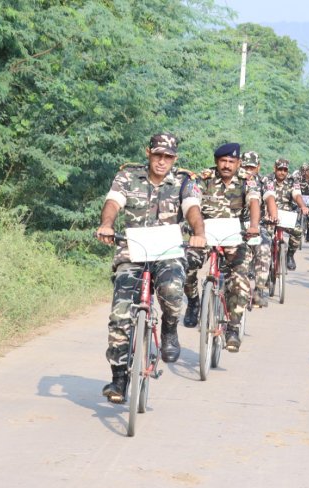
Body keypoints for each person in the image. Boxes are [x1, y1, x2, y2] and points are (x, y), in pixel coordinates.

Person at [95, 133, 206, 403]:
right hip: (133, 251)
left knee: (171, 290)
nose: (161, 161)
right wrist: (107, 224)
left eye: (168, 157)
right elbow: (113, 202)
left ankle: (169, 330)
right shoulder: (127, 177)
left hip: (167, 251)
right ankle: (119, 378)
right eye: (157, 155)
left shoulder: (184, 181)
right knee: (120, 313)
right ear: (148, 153)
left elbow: (192, 209)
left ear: (174, 159)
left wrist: (198, 232)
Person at [182, 143, 261, 352]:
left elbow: (254, 202)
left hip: (234, 236)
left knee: (239, 278)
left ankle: (233, 327)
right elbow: (191, 201)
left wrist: (254, 225)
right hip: (204, 234)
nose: (226, 165)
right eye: (223, 161)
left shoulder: (247, 181)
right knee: (186, 265)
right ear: (217, 161)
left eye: (231, 162)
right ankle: (193, 301)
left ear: (238, 163)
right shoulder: (203, 178)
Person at [242, 151, 278, 308]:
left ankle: (259, 290)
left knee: (264, 248)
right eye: (245, 167)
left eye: (252, 167)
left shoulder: (264, 181)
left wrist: (274, 214)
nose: (249, 170)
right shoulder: (235, 180)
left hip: (256, 226)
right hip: (232, 225)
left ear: (258, 167)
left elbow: (269, 197)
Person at [273, 158, 309, 270]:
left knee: (298, 231)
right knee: (260, 237)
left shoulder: (293, 181)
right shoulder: (267, 180)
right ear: (275, 169)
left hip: (286, 214)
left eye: (285, 170)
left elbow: (297, 195)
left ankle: (290, 255)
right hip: (269, 214)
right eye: (280, 169)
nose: (282, 172)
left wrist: (303, 206)